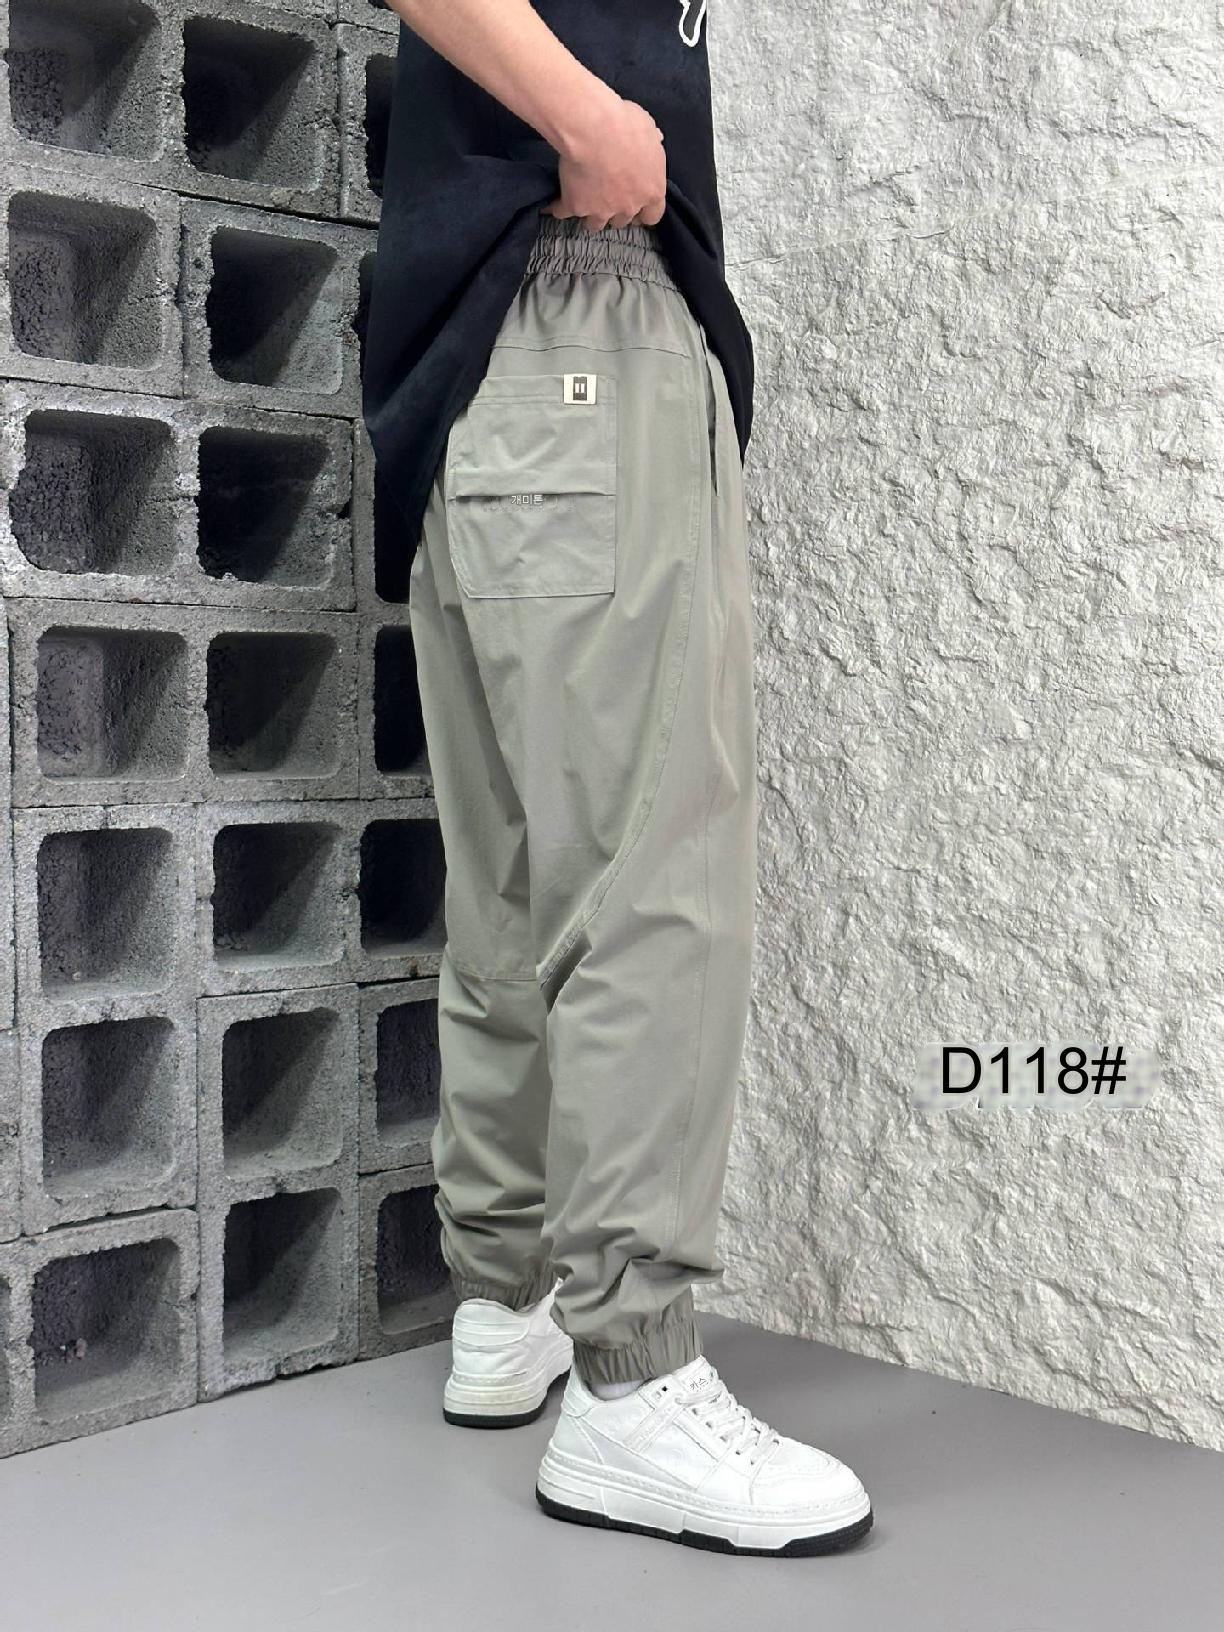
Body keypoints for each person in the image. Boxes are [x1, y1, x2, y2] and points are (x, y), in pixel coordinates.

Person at [363, 0, 873, 1557]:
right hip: (584, 302)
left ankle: (508, 1296)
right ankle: (634, 1382)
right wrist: (587, 116)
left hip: (475, 354)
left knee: (517, 874)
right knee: (654, 875)